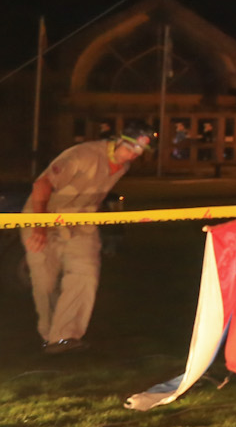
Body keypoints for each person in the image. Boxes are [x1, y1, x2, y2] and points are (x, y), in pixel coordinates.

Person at [21, 120, 153, 353]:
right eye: (131, 147)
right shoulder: (83, 155)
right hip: (44, 219)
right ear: (119, 140)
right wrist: (39, 227)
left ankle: (65, 337)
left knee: (85, 275)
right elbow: (42, 184)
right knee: (45, 283)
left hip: (81, 224)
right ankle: (50, 334)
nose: (134, 154)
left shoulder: (123, 166)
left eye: (140, 151)